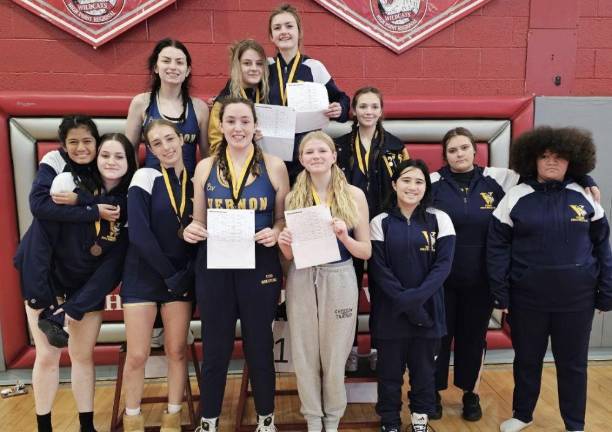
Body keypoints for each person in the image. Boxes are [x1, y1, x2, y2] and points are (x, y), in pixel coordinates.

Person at [431, 127, 601, 422]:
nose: (459, 154)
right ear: (445, 156)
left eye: (464, 148)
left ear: (475, 150)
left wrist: (585, 178)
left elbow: (550, 175)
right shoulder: (432, 182)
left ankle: (470, 394)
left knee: (473, 340)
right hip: (441, 280)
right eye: (452, 150)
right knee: (437, 340)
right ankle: (431, 393)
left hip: (481, 281)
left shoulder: (501, 178)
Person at [487, 126, 612, 432]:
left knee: (573, 365)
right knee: (527, 360)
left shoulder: (585, 196)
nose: (552, 162)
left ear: (573, 160)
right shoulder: (515, 196)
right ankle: (523, 414)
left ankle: (575, 423)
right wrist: (501, 295)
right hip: (528, 300)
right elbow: (496, 249)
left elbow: (603, 246)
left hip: (577, 300)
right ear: (533, 160)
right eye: (544, 156)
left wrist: (606, 293)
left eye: (559, 157)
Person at [15, 132, 136, 432]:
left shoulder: (128, 205)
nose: (110, 161)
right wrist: (41, 297)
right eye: (105, 155)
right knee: (47, 356)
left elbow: (110, 270)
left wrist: (72, 308)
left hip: (85, 290)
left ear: (128, 163)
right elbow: (39, 243)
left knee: (83, 357)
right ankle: (44, 426)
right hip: (47, 284)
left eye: (119, 156)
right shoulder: (67, 187)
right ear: (96, 158)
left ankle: (87, 426)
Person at [183, 97, 289, 432]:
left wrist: (276, 232)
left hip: (260, 263)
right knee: (215, 345)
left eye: (244, 121)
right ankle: (209, 420)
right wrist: (191, 229)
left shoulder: (274, 165)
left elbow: (283, 219)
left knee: (259, 344)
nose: (238, 128)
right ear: (221, 126)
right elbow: (196, 222)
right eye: (231, 121)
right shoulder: (205, 167)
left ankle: (266, 419)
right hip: (216, 263)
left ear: (255, 125)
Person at [277, 130, 371, 432]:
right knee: (304, 353)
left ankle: (333, 418)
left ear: (333, 156)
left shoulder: (354, 195)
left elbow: (366, 250)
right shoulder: (294, 196)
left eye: (322, 151)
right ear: (302, 159)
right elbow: (288, 257)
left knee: (335, 354)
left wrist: (344, 235)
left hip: (340, 275)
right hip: (302, 277)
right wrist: (284, 240)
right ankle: (313, 419)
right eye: (309, 152)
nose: (316, 156)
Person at [120, 119, 196, 432]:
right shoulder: (144, 176)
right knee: (137, 355)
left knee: (177, 351)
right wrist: (170, 274)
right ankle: (133, 419)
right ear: (150, 149)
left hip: (180, 278)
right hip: (145, 277)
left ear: (182, 139)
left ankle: (172, 417)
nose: (166, 147)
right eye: (157, 143)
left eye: (170, 139)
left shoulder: (197, 179)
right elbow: (139, 233)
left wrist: (186, 274)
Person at [369, 159, 456, 432]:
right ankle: (390, 422)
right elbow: (379, 271)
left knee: (424, 373)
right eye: (406, 180)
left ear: (425, 188)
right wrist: (408, 305)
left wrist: (416, 303)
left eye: (419, 181)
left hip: (429, 315)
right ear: (394, 184)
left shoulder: (440, 219)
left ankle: (420, 420)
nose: (412, 186)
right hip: (389, 315)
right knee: (389, 375)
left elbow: (443, 267)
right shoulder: (379, 222)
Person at [334, 86, 409, 372]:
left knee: (382, 292)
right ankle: (349, 349)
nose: (368, 112)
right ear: (353, 110)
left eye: (373, 106)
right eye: (362, 106)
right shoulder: (339, 145)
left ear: (381, 110)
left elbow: (405, 186)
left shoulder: (395, 146)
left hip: (382, 230)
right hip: (348, 229)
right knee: (347, 292)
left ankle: (379, 348)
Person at [267, 3, 350, 182]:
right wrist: (220, 100)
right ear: (271, 36)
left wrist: (339, 109)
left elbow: (342, 98)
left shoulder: (314, 67)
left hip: (305, 154)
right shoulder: (265, 68)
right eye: (277, 27)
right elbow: (239, 91)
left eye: (289, 26)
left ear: (299, 33)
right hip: (271, 152)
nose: (284, 31)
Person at [126, 38, 209, 175]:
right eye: (166, 61)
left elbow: (207, 156)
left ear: (187, 70)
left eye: (179, 62)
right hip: (152, 187)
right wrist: (135, 186)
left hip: (189, 188)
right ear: (156, 67)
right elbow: (129, 152)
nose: (173, 67)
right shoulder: (141, 103)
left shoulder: (200, 108)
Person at [208, 39, 270, 154]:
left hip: (266, 166)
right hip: (234, 169)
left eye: (259, 63)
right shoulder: (222, 103)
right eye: (247, 63)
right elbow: (215, 149)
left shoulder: (267, 97)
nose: (254, 68)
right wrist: (247, 140)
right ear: (237, 65)